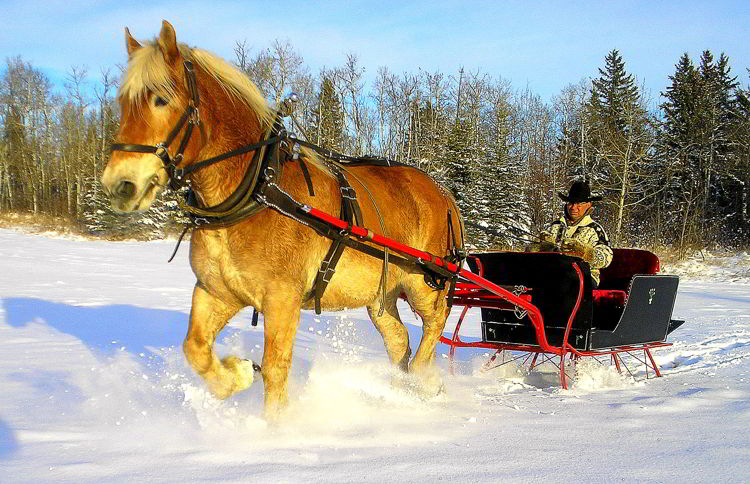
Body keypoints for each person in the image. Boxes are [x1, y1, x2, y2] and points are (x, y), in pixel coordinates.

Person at [533, 180, 613, 288]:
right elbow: (532, 250)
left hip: (584, 278)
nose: (573, 207)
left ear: (589, 205)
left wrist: (584, 253)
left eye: (579, 203)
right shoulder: (555, 226)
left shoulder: (595, 229)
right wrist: (541, 246)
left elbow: (606, 259)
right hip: (552, 274)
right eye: (571, 203)